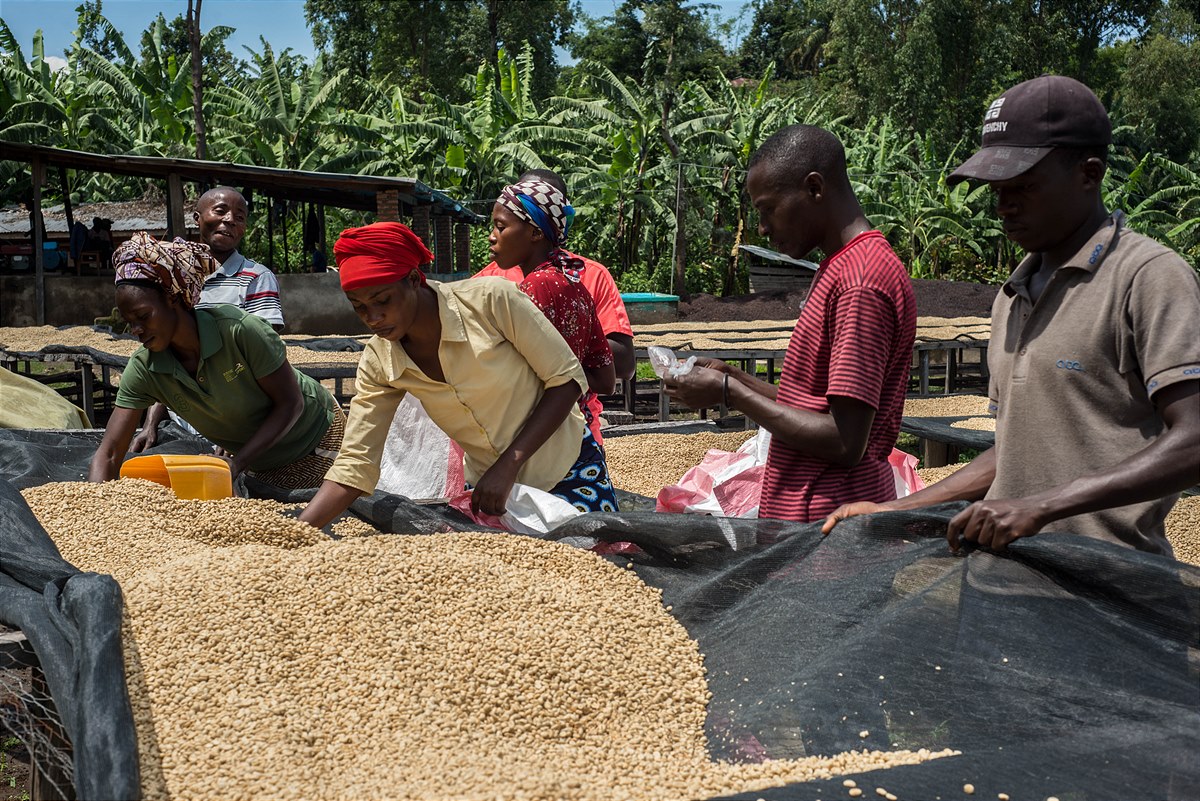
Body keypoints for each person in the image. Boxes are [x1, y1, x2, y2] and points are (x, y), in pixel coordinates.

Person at [822, 75, 1200, 556]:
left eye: (1023, 186)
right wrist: (895, 509)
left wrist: (1043, 507)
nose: (1003, 207)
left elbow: (1194, 438)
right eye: (996, 190)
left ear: (1089, 173)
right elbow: (1014, 451)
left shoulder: (1147, 278)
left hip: (1109, 579)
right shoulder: (1010, 296)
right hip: (1009, 574)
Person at [664, 124, 917, 523]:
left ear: (814, 188)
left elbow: (845, 440)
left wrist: (729, 393)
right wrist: (734, 376)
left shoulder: (861, 281)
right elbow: (812, 404)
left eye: (767, 209)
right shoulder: (840, 267)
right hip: (812, 522)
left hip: (831, 528)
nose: (763, 228)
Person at [298, 222, 619, 529]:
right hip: (489, 489)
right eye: (358, 307)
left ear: (414, 280)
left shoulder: (491, 302)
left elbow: (566, 380)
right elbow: (356, 461)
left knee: (592, 556)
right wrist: (297, 532)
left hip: (566, 469)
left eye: (383, 300)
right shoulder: (380, 360)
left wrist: (508, 465)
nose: (373, 318)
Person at [89, 232, 343, 490]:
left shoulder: (238, 330)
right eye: (129, 322)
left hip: (318, 441)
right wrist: (95, 502)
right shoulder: (145, 367)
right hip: (259, 463)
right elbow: (109, 453)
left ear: (172, 297)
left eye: (143, 316)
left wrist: (237, 463)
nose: (136, 330)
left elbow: (291, 403)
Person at [475, 169, 635, 443]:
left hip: (536, 437)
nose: (492, 236)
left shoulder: (547, 283)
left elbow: (556, 377)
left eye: (501, 226)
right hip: (575, 433)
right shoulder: (572, 278)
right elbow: (605, 378)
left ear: (536, 230)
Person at [132, 186, 284, 450]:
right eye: (221, 211)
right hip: (183, 421)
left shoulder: (256, 278)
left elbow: (262, 357)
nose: (230, 220)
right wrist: (150, 424)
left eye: (240, 217)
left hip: (234, 420)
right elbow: (167, 359)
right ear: (197, 218)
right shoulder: (174, 280)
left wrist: (237, 430)